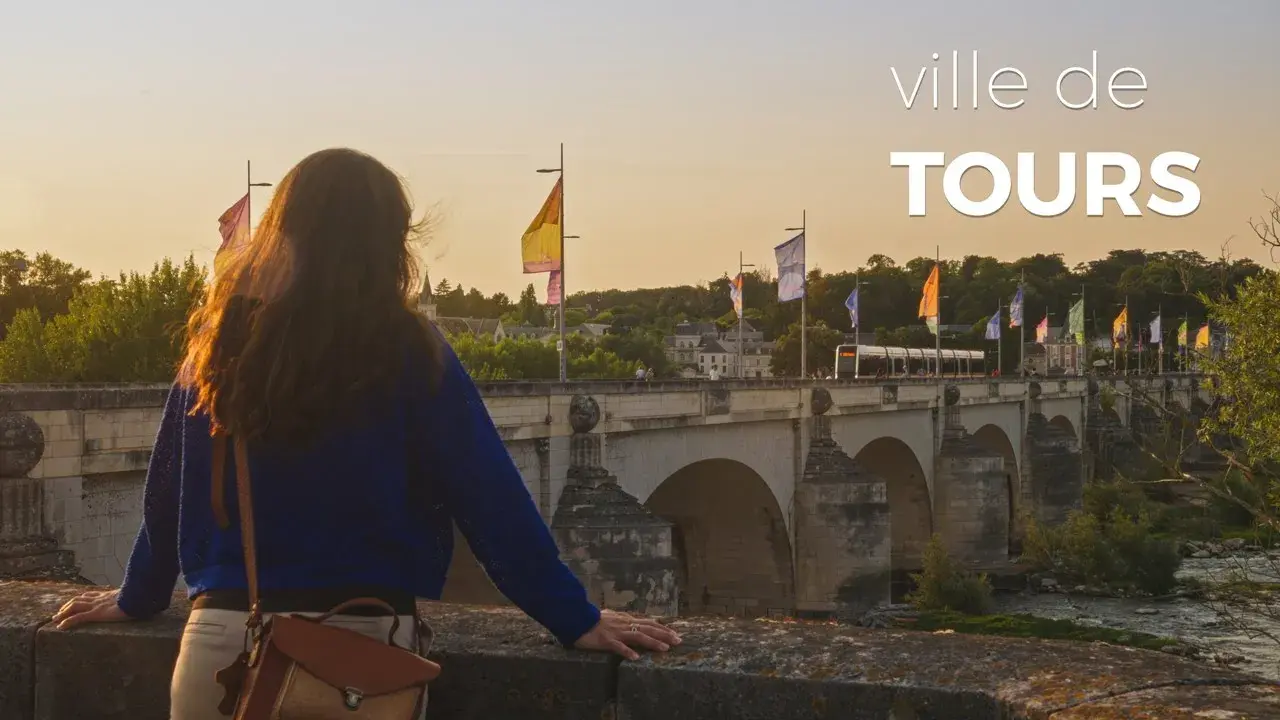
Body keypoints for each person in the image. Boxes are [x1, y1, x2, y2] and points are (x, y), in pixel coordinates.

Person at [50, 148, 680, 719]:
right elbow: (489, 498)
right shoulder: (405, 349)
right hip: (357, 653)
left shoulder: (221, 345)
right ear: (387, 245)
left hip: (222, 654)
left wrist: (139, 595)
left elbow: (170, 494)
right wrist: (572, 616)